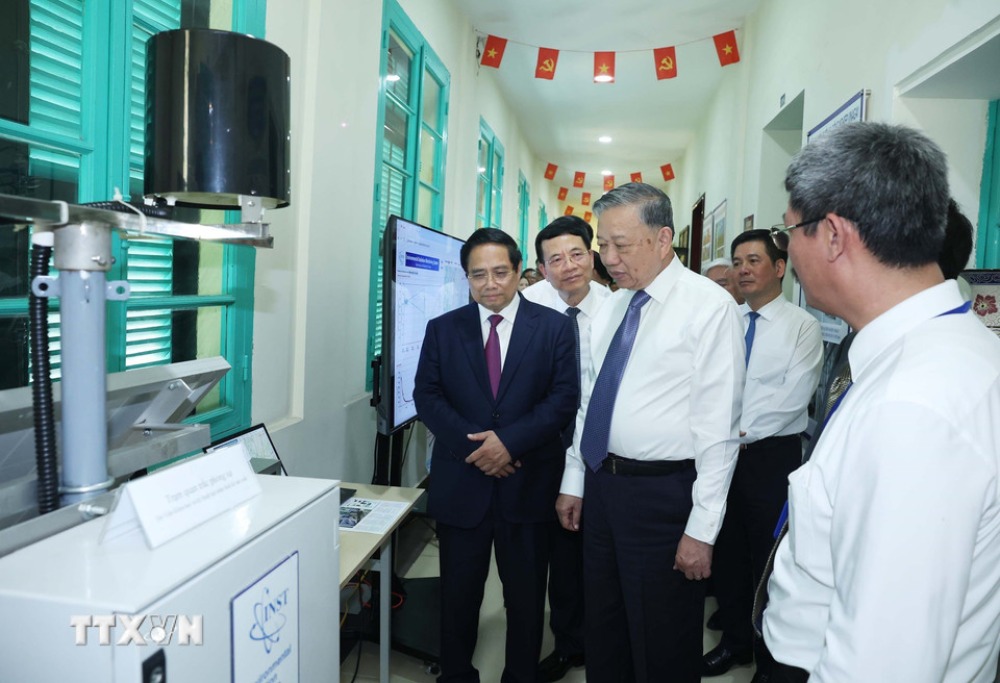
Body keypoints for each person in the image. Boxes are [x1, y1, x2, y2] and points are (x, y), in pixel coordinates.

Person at [762, 122, 1000, 683]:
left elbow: (884, 662)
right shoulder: (942, 348)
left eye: (789, 230)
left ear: (834, 236)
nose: (788, 249)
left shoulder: (912, 406)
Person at [556, 182, 744, 683]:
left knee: (662, 641)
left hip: (664, 496)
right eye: (603, 245)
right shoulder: (614, 306)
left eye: (622, 245)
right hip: (603, 488)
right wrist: (575, 480)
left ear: (663, 240)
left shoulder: (708, 307)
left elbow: (719, 432)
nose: (609, 259)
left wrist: (701, 531)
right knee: (606, 629)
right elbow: (591, 401)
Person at [413, 228, 579, 683]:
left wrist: (509, 443)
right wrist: (482, 448)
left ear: (519, 268)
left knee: (525, 601)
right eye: (478, 275)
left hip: (527, 487)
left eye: (501, 272)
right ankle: (456, 675)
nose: (490, 284)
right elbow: (427, 397)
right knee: (457, 597)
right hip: (462, 488)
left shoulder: (555, 327)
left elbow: (564, 399)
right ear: (466, 277)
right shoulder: (442, 330)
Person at [703, 230, 823, 682]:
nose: (743, 269)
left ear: (778, 268)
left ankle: (768, 656)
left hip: (770, 457)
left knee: (768, 560)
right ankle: (735, 642)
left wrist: (728, 432)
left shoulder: (802, 326)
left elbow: (793, 399)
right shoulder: (725, 320)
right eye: (737, 261)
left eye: (754, 260)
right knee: (728, 552)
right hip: (721, 456)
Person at [523, 215, 612, 682]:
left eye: (577, 254)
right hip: (537, 445)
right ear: (540, 267)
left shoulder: (617, 311)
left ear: (592, 255)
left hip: (593, 446)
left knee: (582, 553)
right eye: (555, 259)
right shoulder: (527, 307)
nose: (568, 266)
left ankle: (584, 642)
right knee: (540, 551)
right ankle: (550, 637)